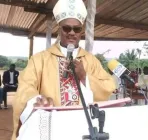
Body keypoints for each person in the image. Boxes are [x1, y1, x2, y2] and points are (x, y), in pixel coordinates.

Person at [12, 0, 116, 139]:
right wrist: (36, 100)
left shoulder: (91, 60)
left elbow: (108, 86)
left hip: (84, 128)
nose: (72, 33)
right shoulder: (40, 59)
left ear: (81, 32)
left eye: (77, 29)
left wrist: (85, 77)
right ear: (59, 29)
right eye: (67, 28)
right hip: (53, 129)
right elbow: (25, 87)